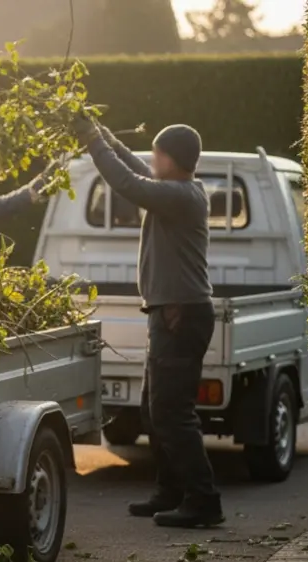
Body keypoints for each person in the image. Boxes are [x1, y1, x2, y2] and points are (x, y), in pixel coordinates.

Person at [73, 117, 222, 528]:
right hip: (170, 314)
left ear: (174, 160)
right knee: (154, 410)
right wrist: (104, 134)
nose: (152, 158)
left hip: (181, 315)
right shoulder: (174, 190)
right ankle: (170, 490)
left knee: (173, 413)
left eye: (158, 152)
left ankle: (204, 499)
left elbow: (128, 183)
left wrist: (91, 141)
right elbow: (135, 170)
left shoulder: (182, 195)